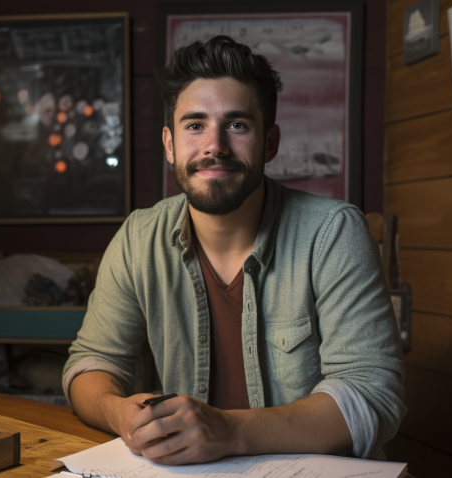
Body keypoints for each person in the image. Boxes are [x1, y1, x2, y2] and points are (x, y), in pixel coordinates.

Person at [63, 35, 405, 466]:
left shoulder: (333, 233)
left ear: (270, 143)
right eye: (195, 125)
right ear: (170, 144)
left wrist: (227, 431)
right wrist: (120, 413)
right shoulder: (138, 239)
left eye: (237, 125)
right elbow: (91, 363)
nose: (215, 146)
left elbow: (371, 397)